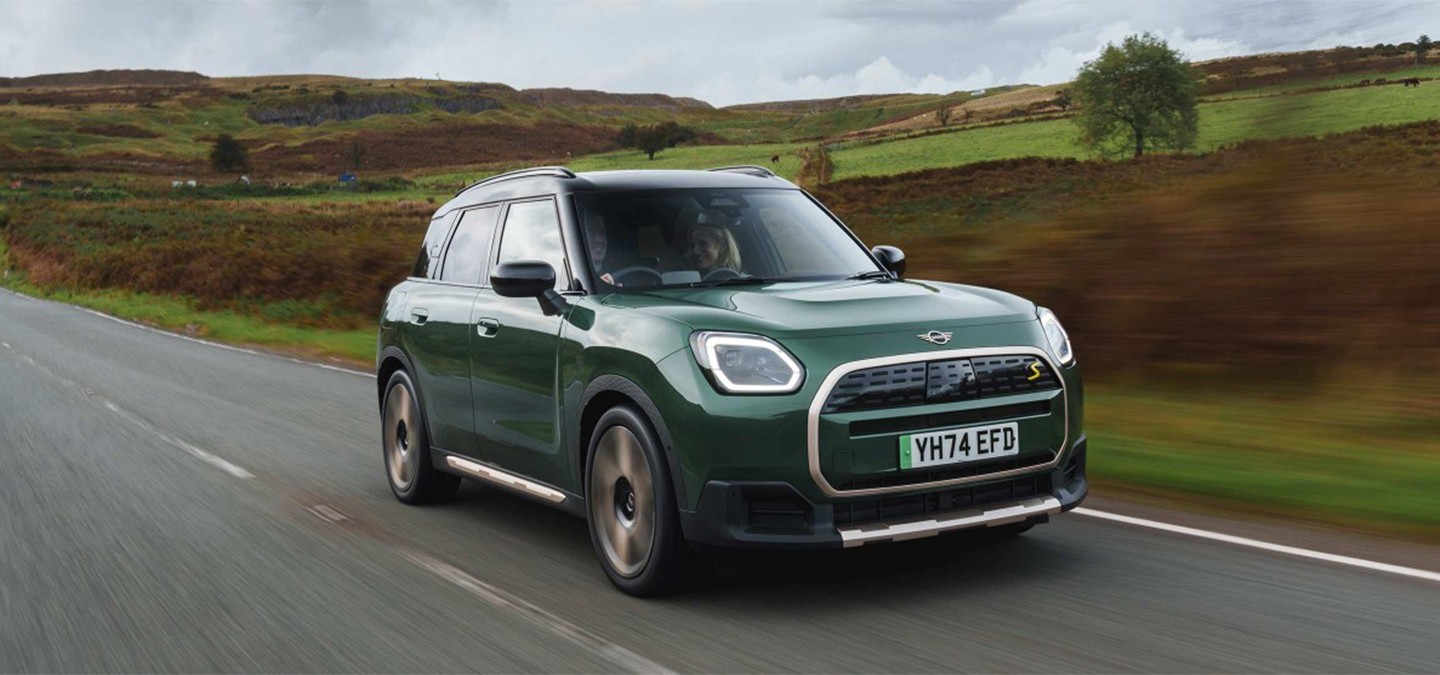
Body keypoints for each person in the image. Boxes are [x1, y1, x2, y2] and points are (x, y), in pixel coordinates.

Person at [682, 210, 743, 277]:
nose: (695, 251)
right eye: (692, 245)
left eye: (702, 243)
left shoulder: (747, 282)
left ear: (722, 245)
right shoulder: (687, 281)